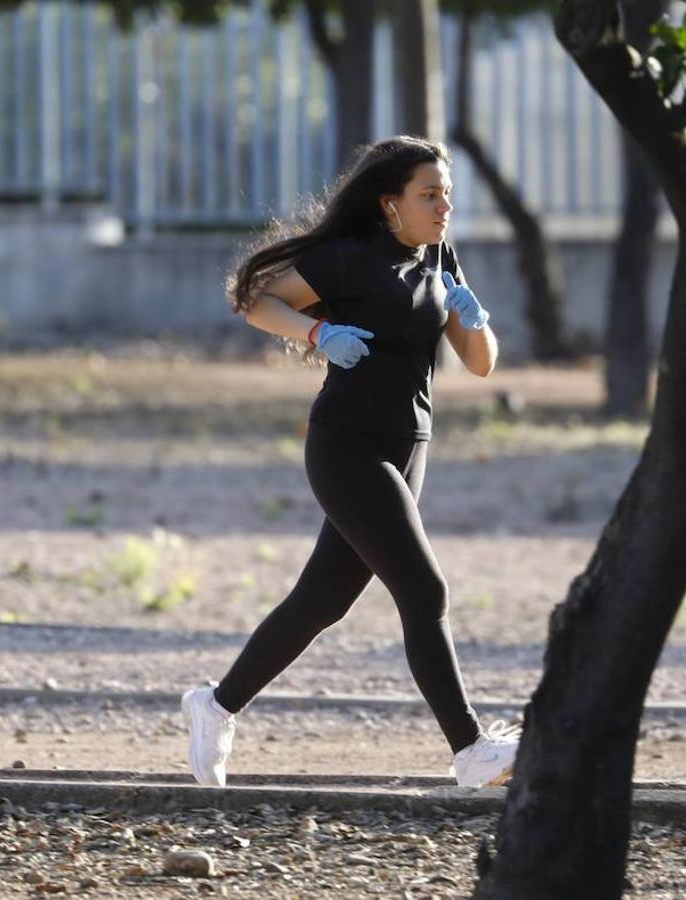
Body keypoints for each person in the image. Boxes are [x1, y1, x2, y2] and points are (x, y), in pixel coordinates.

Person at [181, 136, 520, 789]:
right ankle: (471, 748)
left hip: (409, 444)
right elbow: (255, 301)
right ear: (390, 203)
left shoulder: (440, 257)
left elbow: (480, 364)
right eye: (429, 194)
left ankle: (216, 705)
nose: (443, 205)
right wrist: (316, 333)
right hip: (347, 445)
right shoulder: (347, 257)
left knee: (321, 602)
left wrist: (472, 319)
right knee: (425, 591)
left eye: (445, 193)